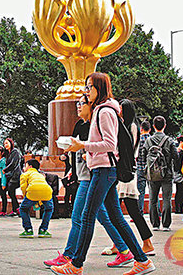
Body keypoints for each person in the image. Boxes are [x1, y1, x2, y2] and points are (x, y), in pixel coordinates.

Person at [52, 72, 155, 275]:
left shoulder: (104, 111)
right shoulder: (104, 109)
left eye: (89, 87)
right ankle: (142, 261)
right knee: (115, 217)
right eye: (86, 87)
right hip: (103, 169)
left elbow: (110, 144)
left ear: (99, 88)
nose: (86, 91)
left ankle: (76, 265)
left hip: (104, 169)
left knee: (87, 216)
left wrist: (82, 145)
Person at [117, 99, 154, 257]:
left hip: (126, 172)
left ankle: (145, 243)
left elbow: (129, 150)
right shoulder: (129, 125)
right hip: (126, 171)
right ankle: (122, 244)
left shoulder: (131, 126)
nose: (118, 111)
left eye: (120, 109)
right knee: (120, 211)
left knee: (125, 211)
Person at [140, 115, 177, 231]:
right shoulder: (169, 140)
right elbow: (176, 156)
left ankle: (155, 224)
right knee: (166, 199)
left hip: (152, 174)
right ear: (165, 126)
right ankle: (166, 224)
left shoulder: (148, 140)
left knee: (153, 199)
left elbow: (143, 155)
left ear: (154, 126)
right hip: (167, 173)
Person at [19, 159, 54, 238]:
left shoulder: (25, 174)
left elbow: (23, 187)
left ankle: (28, 230)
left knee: (23, 209)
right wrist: (39, 202)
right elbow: (41, 188)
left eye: (26, 165)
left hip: (32, 191)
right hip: (47, 191)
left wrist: (26, 197)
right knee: (49, 209)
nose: (24, 168)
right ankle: (43, 230)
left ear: (30, 167)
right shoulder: (41, 174)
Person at [3, 137, 23, 216]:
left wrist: (5, 170)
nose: (6, 145)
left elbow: (13, 163)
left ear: (11, 143)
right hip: (10, 175)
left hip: (16, 175)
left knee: (11, 191)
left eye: (7, 143)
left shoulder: (15, 152)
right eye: (4, 144)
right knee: (11, 192)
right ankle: (16, 209)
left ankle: (17, 209)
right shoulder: (8, 153)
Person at [136, 121, 151, 214]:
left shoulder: (138, 140)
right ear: (149, 129)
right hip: (151, 169)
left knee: (140, 191)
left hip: (140, 168)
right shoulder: (152, 140)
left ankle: (139, 212)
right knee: (153, 191)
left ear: (141, 128)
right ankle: (157, 213)